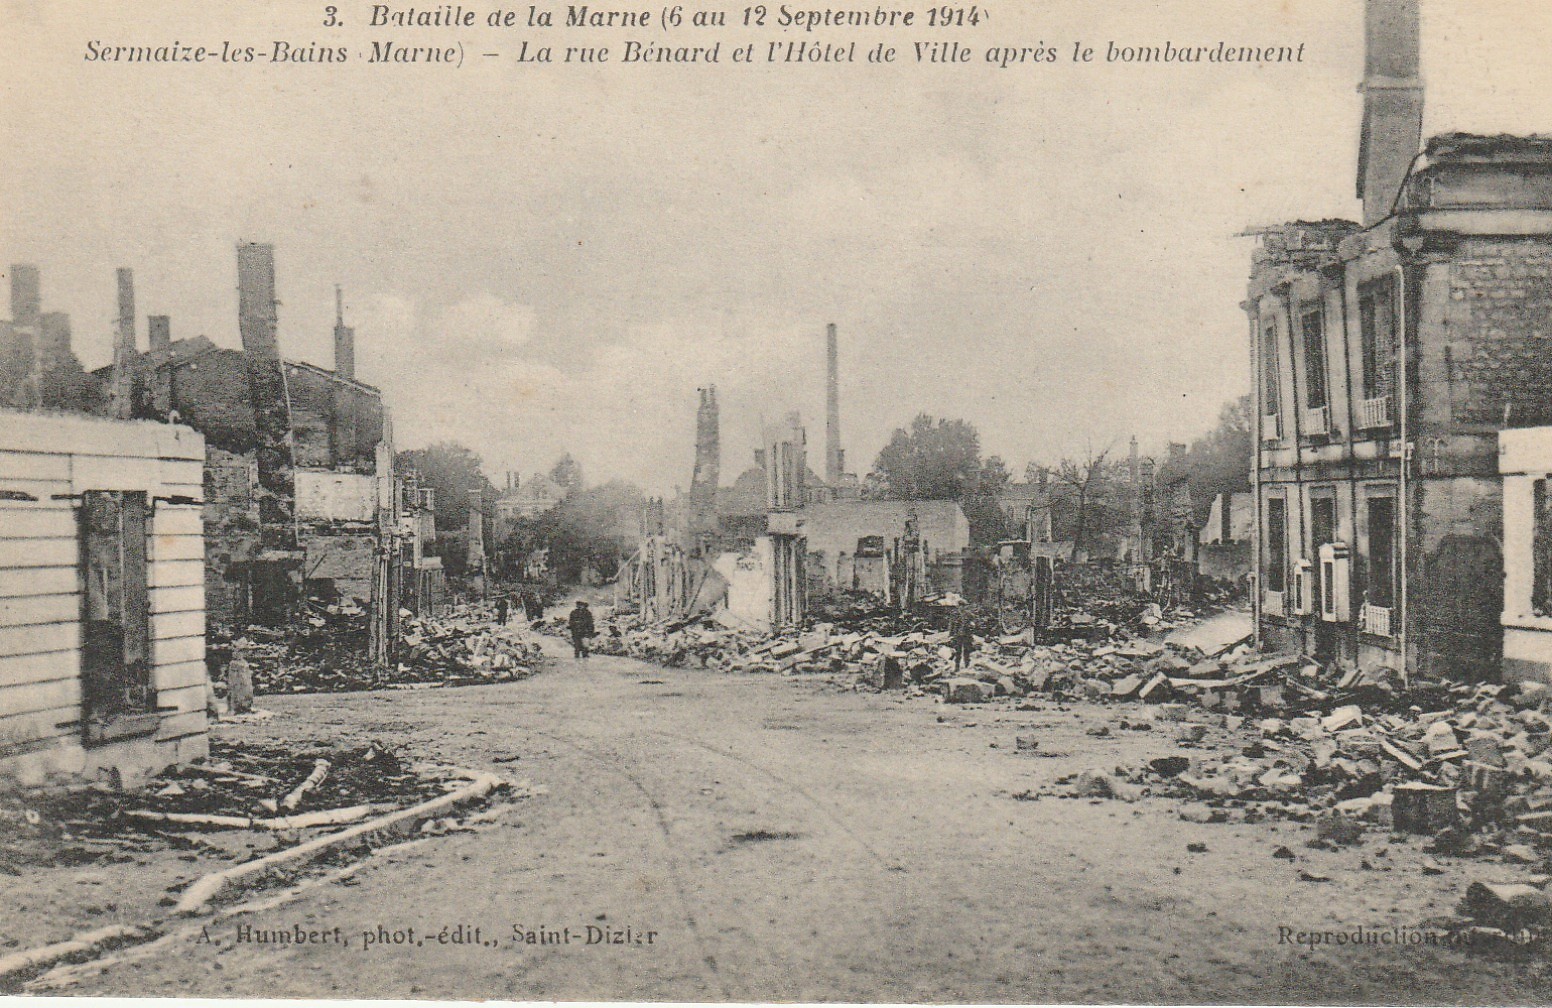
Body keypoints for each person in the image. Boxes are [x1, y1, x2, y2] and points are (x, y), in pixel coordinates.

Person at [948, 603, 975, 672]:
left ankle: (967, 666)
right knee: (958, 652)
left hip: (966, 635)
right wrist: (950, 635)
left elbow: (974, 623)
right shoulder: (955, 615)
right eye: (960, 606)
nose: (961, 607)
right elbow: (952, 625)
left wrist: (972, 626)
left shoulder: (969, 614)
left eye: (963, 606)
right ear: (958, 606)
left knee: (967, 651)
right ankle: (957, 667)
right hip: (958, 636)